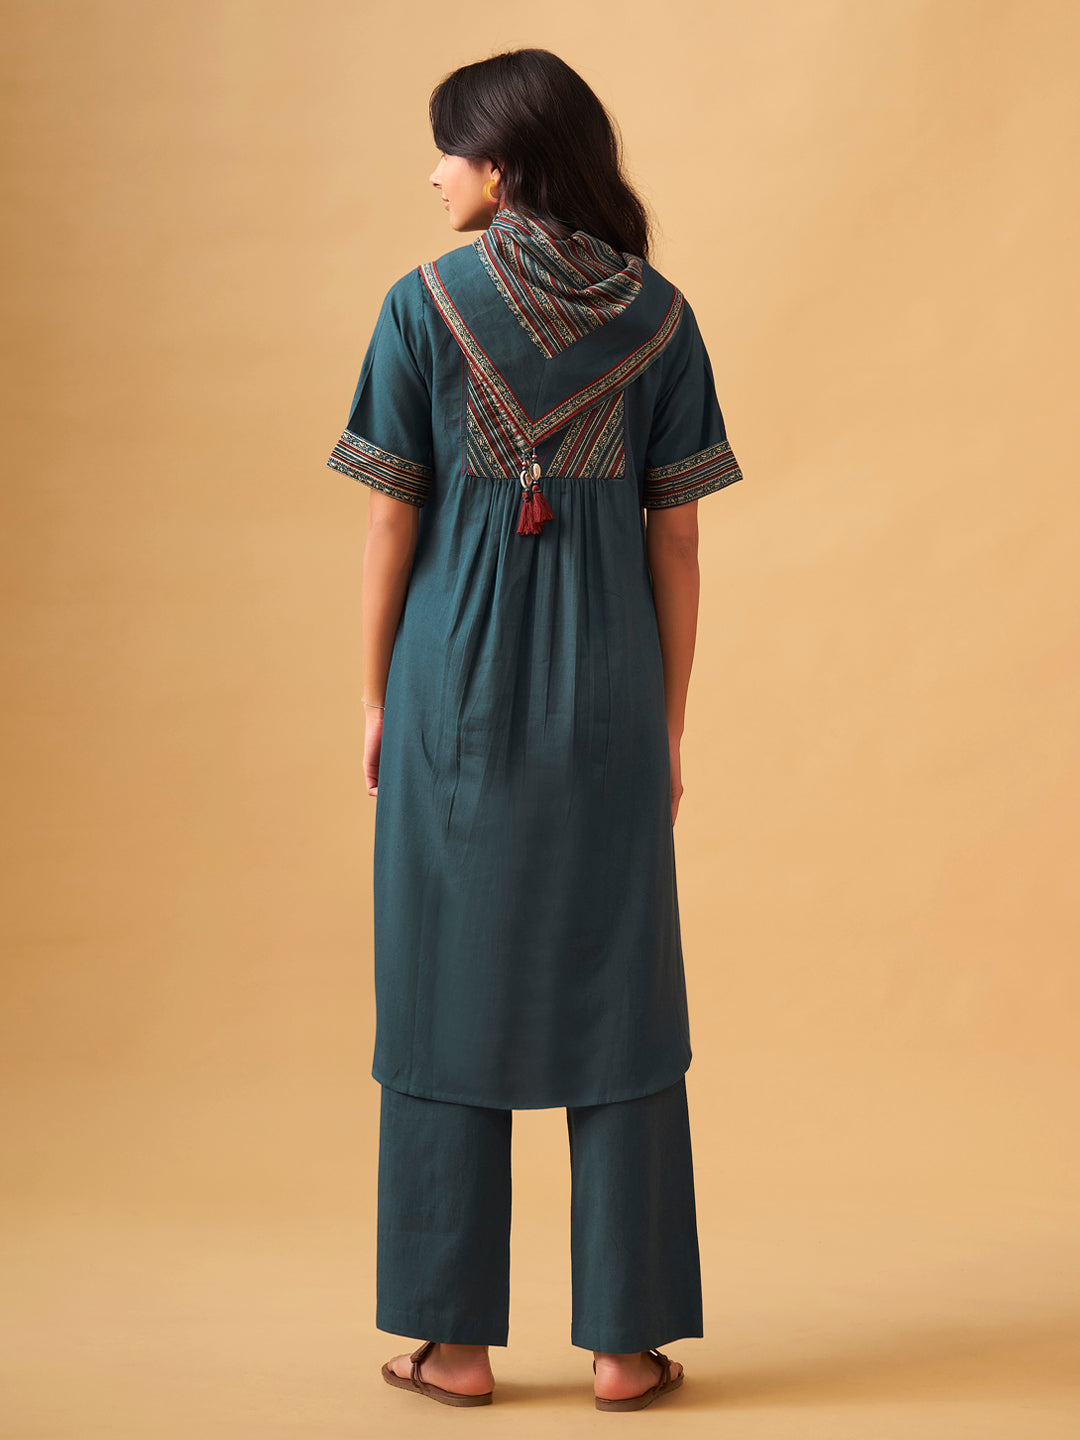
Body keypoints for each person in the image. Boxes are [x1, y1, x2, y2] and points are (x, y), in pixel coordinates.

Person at [324, 47, 744, 1411]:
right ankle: (626, 1346)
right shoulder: (662, 317)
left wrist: (378, 694)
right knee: (624, 994)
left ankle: (453, 1347)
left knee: (441, 989)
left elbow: (391, 517)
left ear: (500, 166)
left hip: (453, 690)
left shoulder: (421, 304)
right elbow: (677, 541)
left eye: (448, 149)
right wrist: (666, 723)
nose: (434, 173)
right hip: (610, 695)